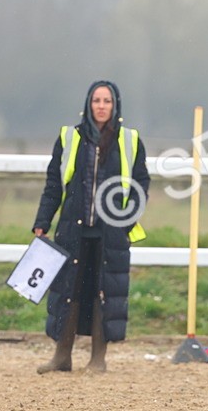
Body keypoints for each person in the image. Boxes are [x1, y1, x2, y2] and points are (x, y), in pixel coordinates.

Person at [32, 80, 149, 373]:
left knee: (102, 292)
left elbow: (141, 184)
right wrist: (42, 221)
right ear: (88, 103)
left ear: (115, 106)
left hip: (110, 234)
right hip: (73, 230)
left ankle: (99, 358)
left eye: (107, 101)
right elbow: (53, 184)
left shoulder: (131, 140)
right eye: (96, 100)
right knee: (68, 291)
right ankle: (62, 355)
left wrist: (126, 220)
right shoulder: (69, 137)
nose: (101, 106)